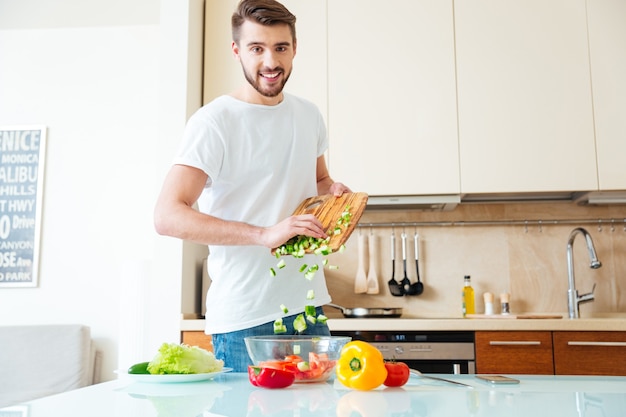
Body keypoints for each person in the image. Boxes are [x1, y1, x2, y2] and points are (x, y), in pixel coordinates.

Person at [154, 0, 351, 372]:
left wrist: (332, 192)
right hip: (245, 320)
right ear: (236, 51)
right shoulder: (214, 122)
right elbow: (167, 215)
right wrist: (264, 234)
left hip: (308, 310)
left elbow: (320, 180)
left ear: (295, 48)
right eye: (256, 48)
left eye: (280, 48)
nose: (271, 62)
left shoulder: (308, 115)